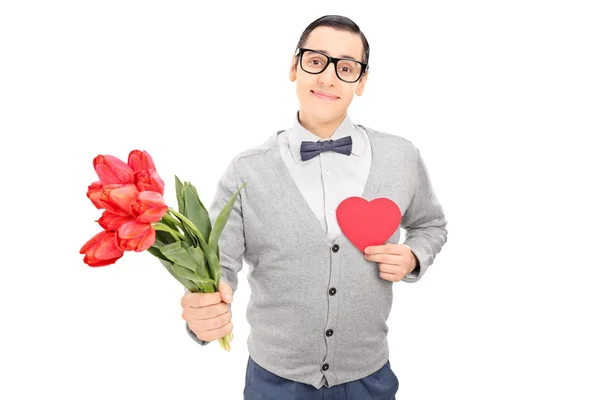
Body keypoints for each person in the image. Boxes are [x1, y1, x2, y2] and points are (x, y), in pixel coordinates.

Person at [180, 14, 448, 400]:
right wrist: (204, 311)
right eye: (316, 60)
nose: (329, 77)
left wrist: (413, 256)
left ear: (362, 80)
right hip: (273, 382)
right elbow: (216, 266)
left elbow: (431, 225)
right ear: (294, 66)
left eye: (347, 67)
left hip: (370, 378)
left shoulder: (401, 157)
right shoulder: (246, 170)